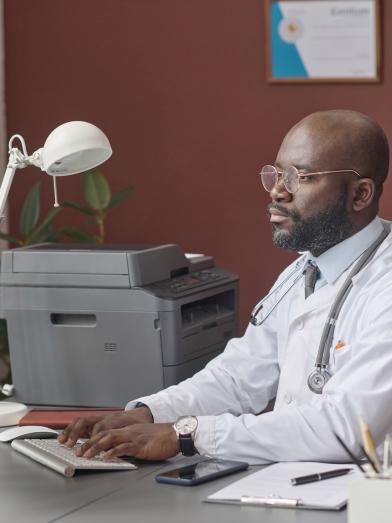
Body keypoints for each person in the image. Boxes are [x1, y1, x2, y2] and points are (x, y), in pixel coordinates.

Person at [59, 109, 392, 464]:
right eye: (278, 174)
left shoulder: (383, 286)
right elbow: (238, 376)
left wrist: (187, 434)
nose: (278, 191)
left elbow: (347, 430)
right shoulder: (304, 270)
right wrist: (150, 413)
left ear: (360, 195)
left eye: (301, 177)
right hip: (289, 486)